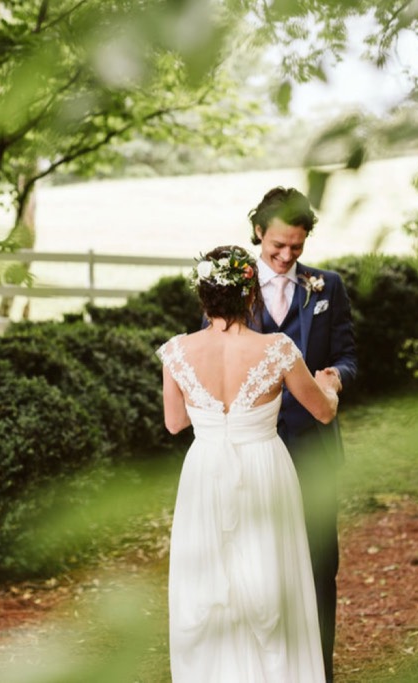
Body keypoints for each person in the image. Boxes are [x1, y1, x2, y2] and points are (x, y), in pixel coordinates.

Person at [158, 245, 342, 683]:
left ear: (203, 297)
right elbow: (322, 412)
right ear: (251, 296)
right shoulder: (278, 348)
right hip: (263, 467)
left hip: (204, 471)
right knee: (267, 575)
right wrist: (328, 384)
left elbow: (174, 423)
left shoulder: (176, 352)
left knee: (210, 579)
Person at [249, 186, 357, 683]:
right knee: (259, 566)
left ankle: (320, 671)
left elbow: (349, 355)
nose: (286, 257)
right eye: (277, 247)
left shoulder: (327, 287)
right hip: (252, 451)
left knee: (318, 565)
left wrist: (335, 376)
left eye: (296, 247)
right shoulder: (231, 288)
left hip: (314, 447)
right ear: (258, 233)